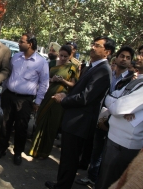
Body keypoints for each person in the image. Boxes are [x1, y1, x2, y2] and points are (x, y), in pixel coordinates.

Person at [45, 36, 115, 189]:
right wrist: (66, 96)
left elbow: (85, 97)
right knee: (66, 158)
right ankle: (60, 184)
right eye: (93, 44)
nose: (92, 47)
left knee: (70, 160)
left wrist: (63, 100)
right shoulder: (92, 67)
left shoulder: (103, 71)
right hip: (74, 120)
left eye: (97, 45)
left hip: (80, 123)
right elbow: (80, 90)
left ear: (107, 52)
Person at [75, 46, 135, 186]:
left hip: (115, 122)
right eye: (122, 56)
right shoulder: (108, 73)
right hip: (99, 117)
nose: (124, 60)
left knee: (108, 156)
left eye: (128, 58)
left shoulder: (131, 80)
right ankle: (92, 177)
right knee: (96, 150)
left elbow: (123, 103)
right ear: (116, 57)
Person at [0, 33, 49, 165]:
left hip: (25, 100)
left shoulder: (41, 62)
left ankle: (18, 153)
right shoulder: (16, 57)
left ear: (30, 44)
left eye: (21, 41)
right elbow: (8, 75)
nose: (19, 43)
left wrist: (38, 102)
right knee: (5, 124)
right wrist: (3, 92)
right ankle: (1, 149)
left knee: (21, 127)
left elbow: (44, 84)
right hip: (9, 95)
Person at [96, 45, 143, 189]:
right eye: (140, 53)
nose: (139, 57)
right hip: (114, 140)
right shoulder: (137, 81)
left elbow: (117, 108)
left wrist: (119, 105)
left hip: (124, 146)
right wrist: (119, 104)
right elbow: (110, 97)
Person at [29, 45, 79, 159]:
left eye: (65, 56)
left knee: (52, 125)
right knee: (40, 121)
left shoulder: (72, 67)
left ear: (70, 56)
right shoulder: (51, 64)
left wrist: (62, 81)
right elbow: (43, 79)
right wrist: (52, 80)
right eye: (61, 55)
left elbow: (73, 85)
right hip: (47, 95)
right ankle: (34, 150)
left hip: (59, 99)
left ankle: (44, 152)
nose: (62, 58)